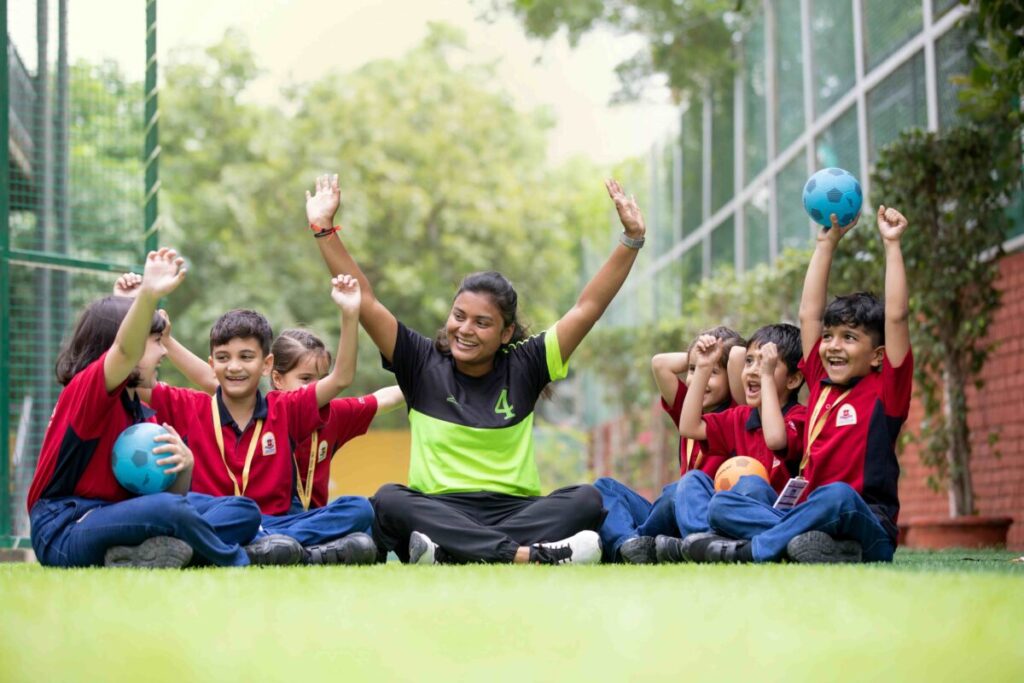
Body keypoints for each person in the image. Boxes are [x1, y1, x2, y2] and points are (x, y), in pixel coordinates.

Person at [305, 173, 647, 565]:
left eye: (481, 323)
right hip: (439, 509)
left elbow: (587, 307)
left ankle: (452, 552)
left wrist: (631, 239)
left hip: (515, 512)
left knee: (586, 499)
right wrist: (323, 229)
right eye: (459, 316)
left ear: (506, 334)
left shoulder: (527, 363)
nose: (464, 330)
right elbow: (364, 300)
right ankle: (521, 556)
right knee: (389, 499)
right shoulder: (420, 362)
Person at [692, 206, 912, 564]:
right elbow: (809, 314)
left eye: (849, 338)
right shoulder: (820, 382)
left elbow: (898, 316)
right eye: (828, 336)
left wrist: (892, 245)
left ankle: (756, 549)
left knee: (836, 496)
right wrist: (825, 244)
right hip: (808, 515)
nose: (833, 346)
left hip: (868, 520)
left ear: (877, 355)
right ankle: (821, 549)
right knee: (725, 503)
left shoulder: (886, 389)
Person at [26, 248, 265, 569]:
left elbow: (176, 496)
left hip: (125, 516)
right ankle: (238, 558)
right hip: (64, 528)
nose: (162, 351)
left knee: (243, 510)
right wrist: (148, 296)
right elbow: (123, 349)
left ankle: (151, 555)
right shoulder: (85, 391)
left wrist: (185, 467)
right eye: (155, 341)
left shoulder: (139, 409)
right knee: (168, 512)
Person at [145, 275, 381, 565]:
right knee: (220, 512)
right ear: (211, 364)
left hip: (277, 524)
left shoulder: (285, 409)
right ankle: (291, 552)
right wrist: (139, 308)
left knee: (359, 509)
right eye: (223, 357)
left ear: (266, 364)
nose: (234, 367)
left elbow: (341, 377)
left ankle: (250, 547)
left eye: (246, 357)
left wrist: (349, 314)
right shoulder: (190, 405)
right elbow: (133, 380)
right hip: (220, 519)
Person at [656, 323, 806, 563]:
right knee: (690, 482)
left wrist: (765, 377)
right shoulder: (739, 418)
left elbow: (776, 438)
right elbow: (689, 427)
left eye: (767, 364)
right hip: (728, 511)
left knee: (749, 487)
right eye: (750, 362)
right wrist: (703, 367)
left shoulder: (799, 417)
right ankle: (704, 540)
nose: (755, 371)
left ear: (794, 379)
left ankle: (719, 544)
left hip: (768, 513)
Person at [593, 326, 744, 563]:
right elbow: (659, 364)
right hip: (671, 511)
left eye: (713, 372)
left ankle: (639, 544)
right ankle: (631, 545)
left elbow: (737, 360)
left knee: (677, 491)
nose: (699, 377)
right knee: (604, 488)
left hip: (703, 515)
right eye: (692, 370)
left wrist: (712, 358)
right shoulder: (689, 409)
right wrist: (700, 356)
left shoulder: (737, 413)